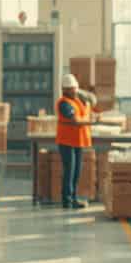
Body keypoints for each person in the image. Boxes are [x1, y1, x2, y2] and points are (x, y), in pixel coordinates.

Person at [55, 72, 95, 209]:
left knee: (76, 172)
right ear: (64, 90)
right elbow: (75, 120)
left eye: (75, 89)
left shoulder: (77, 100)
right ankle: (67, 201)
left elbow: (90, 105)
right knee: (69, 172)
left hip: (78, 141)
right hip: (67, 142)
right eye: (71, 89)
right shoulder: (63, 104)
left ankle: (73, 198)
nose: (74, 91)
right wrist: (90, 121)